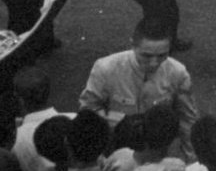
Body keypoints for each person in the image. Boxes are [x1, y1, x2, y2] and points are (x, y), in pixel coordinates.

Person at [79, 16, 199, 158]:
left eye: (162, 55)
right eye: (146, 56)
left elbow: (188, 120)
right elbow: (87, 111)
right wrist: (122, 122)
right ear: (133, 45)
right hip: (113, 148)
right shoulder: (105, 69)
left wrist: (192, 163)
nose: (154, 63)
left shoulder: (178, 73)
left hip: (157, 153)